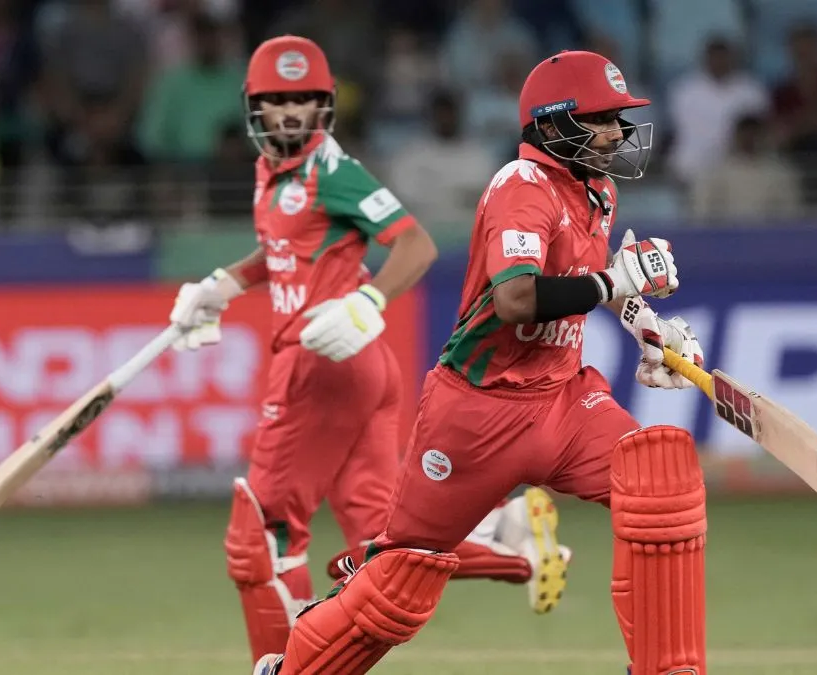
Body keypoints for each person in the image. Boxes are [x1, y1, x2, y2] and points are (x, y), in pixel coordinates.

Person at [252, 50, 709, 675]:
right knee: (398, 583)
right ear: (552, 123)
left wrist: (646, 326)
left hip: (564, 402)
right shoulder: (520, 187)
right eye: (601, 119)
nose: (616, 133)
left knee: (661, 483)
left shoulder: (596, 188)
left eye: (617, 119)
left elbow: (582, 278)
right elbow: (516, 299)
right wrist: (615, 281)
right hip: (477, 413)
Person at [169, 35, 569, 668]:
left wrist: (370, 299)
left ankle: (285, 666)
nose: (291, 114)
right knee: (384, 539)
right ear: (254, 107)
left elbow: (415, 246)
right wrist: (223, 285)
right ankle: (514, 543)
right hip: (361, 370)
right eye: (277, 101)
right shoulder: (273, 171)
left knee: (262, 534)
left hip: (323, 360)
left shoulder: (333, 172)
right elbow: (284, 251)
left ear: (325, 105)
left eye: (303, 100)